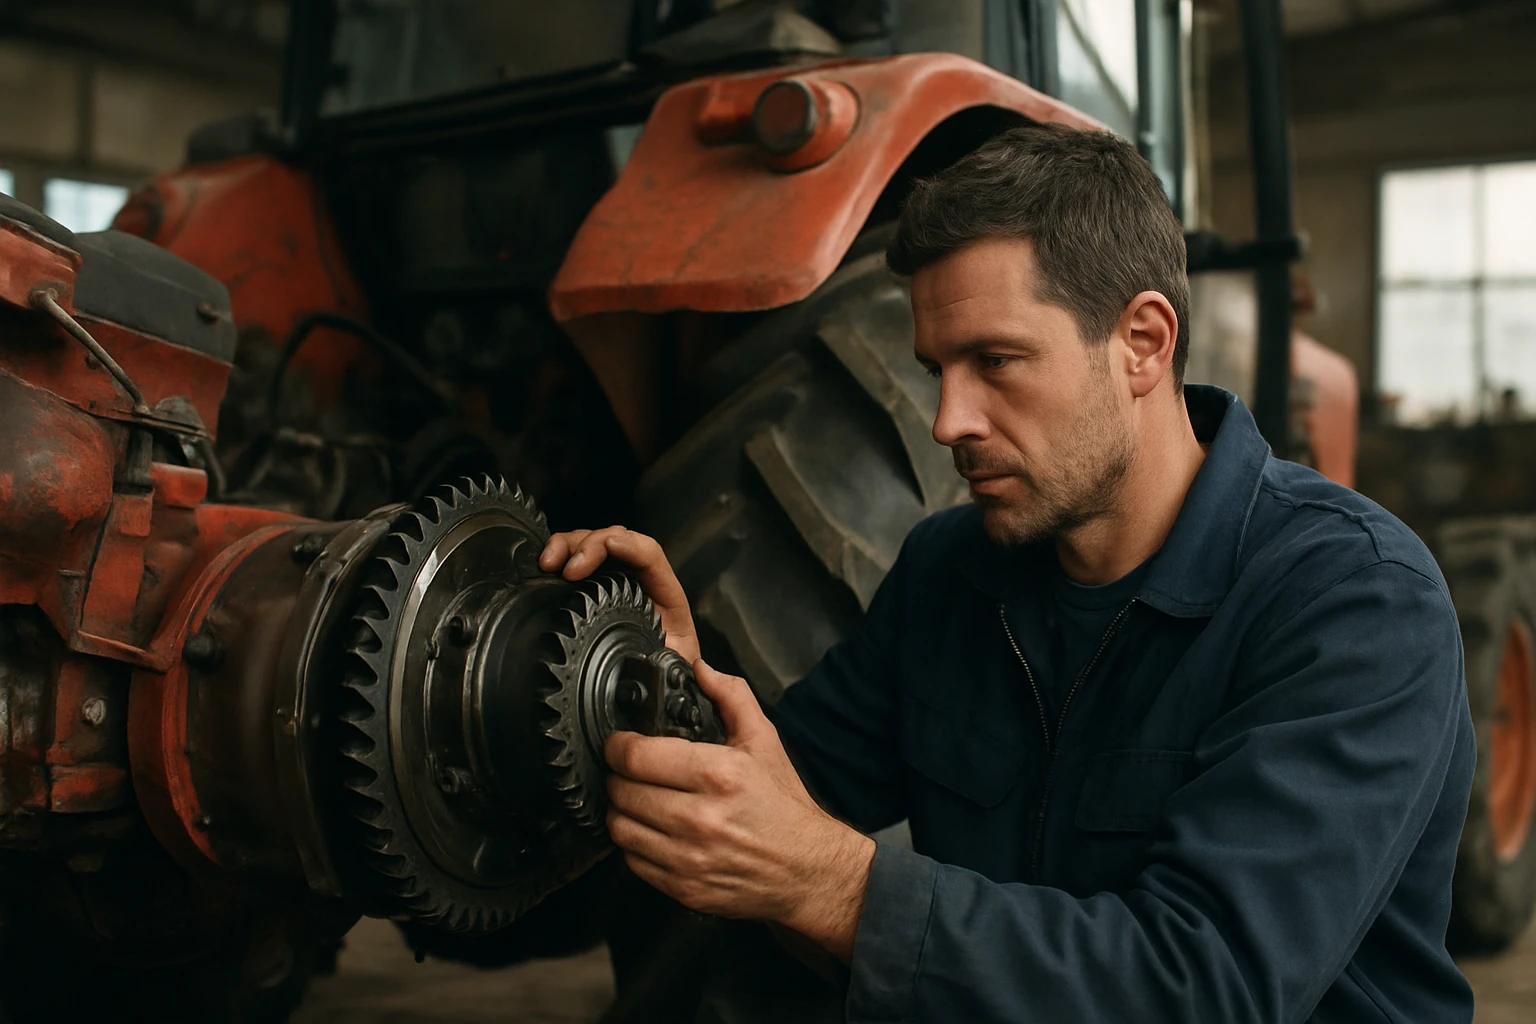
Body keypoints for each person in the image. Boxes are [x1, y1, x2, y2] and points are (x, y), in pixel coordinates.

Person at [538, 124, 1475, 1022]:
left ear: (1143, 343)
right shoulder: (950, 573)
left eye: (996, 360)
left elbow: (1202, 989)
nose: (949, 421)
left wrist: (835, 886)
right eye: (936, 370)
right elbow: (790, 791)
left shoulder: (1354, 603)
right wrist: (668, 696)